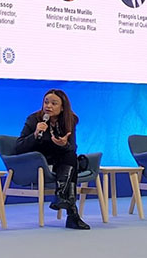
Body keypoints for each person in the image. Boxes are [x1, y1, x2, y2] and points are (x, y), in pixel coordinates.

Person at [15, 89, 90, 230]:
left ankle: (61, 196)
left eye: (54, 103)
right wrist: (35, 134)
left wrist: (64, 144)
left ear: (62, 108)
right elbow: (18, 148)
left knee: (70, 156)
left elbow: (72, 147)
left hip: (60, 163)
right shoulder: (34, 119)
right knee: (72, 162)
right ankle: (70, 211)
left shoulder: (70, 120)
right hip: (39, 163)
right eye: (46, 102)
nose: (48, 106)